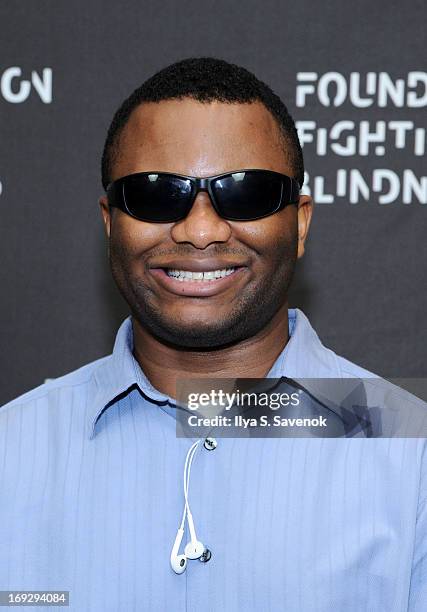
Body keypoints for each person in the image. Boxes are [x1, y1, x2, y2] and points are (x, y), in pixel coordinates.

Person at [0, 57, 425, 612]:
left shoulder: (412, 457)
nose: (200, 231)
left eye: (246, 192)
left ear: (300, 222)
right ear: (110, 223)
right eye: (155, 193)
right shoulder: (12, 449)